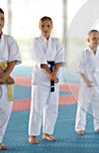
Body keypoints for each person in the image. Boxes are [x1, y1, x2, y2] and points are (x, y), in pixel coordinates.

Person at [28, 16, 64, 144]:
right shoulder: (36, 41)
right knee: (37, 107)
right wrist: (50, 74)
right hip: (41, 78)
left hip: (55, 77)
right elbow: (41, 60)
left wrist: (54, 74)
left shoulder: (57, 42)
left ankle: (47, 132)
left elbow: (59, 60)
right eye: (43, 26)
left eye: (48, 26)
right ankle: (33, 134)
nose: (45, 28)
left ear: (52, 27)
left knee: (52, 107)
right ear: (39, 27)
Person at [0, 7, 22, 150]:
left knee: (5, 110)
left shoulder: (10, 40)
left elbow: (14, 59)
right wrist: (5, 76)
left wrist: (5, 77)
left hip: (6, 80)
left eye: (2, 18)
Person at [75, 29, 99, 135]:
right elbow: (80, 69)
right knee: (83, 106)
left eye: (98, 38)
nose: (96, 40)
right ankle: (80, 127)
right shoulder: (84, 53)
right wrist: (86, 80)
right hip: (87, 83)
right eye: (94, 38)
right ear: (88, 40)